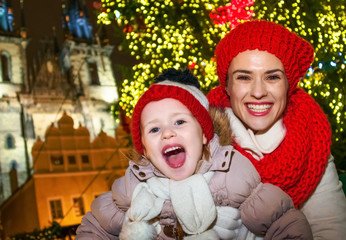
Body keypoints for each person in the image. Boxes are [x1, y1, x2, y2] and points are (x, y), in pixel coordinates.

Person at [76, 68, 312, 240]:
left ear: (203, 135)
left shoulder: (231, 173)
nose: (167, 133)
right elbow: (95, 227)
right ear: (145, 150)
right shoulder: (133, 186)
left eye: (179, 122)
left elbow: (284, 222)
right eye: (154, 129)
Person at [207, 19, 346, 239]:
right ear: (226, 86)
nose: (259, 92)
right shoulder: (198, 140)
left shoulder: (312, 147)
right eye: (244, 77)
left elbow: (331, 229)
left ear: (289, 84)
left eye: (272, 77)